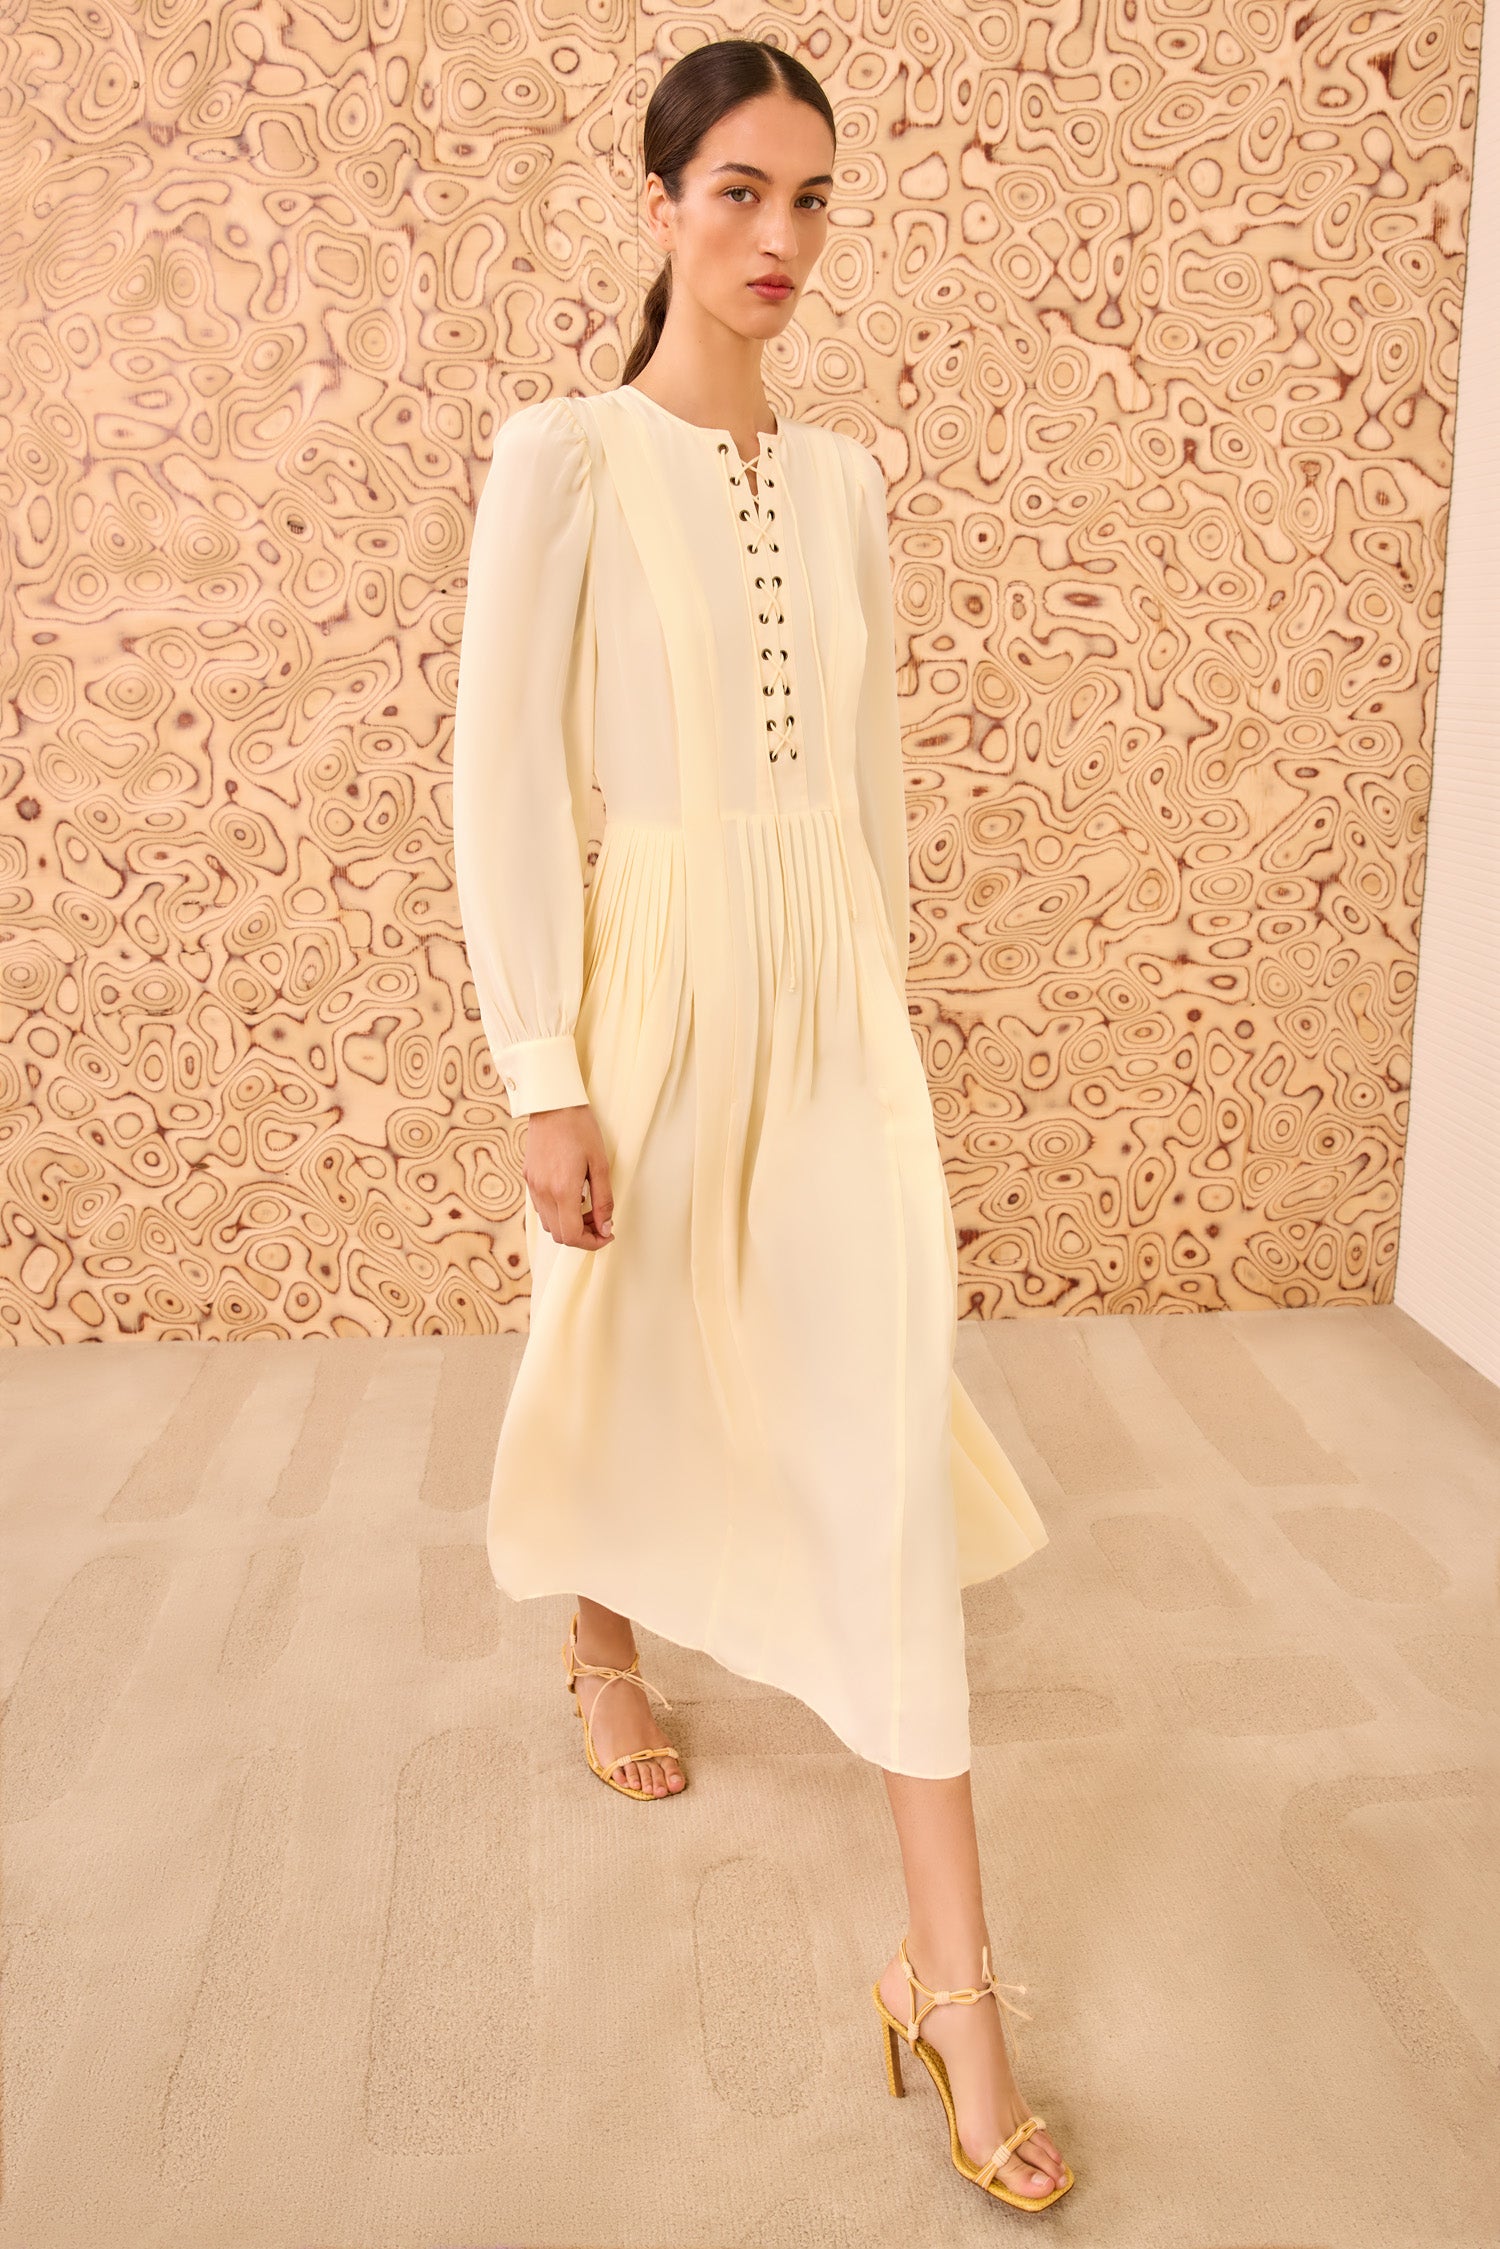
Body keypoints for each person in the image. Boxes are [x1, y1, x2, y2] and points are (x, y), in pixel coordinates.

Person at [451, 36, 1074, 2212]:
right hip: (657, 972)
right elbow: (501, 775)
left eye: (812, 197)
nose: (780, 236)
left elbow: (872, 778)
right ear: (658, 204)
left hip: (831, 992)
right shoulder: (567, 457)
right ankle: (599, 1635)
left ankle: (953, 1982)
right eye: (737, 190)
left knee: (876, 1427)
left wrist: (879, 1009)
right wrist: (543, 1066)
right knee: (608, 1328)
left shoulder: (846, 484)